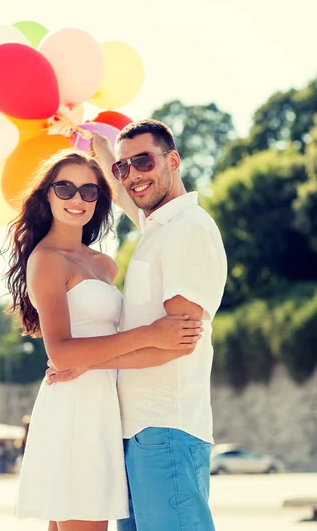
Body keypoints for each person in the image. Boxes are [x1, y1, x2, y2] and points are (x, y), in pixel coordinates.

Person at [1, 149, 203, 531]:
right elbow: (60, 353)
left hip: (103, 404)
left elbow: (157, 214)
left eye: (89, 191)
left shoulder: (102, 264)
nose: (77, 199)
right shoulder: (46, 260)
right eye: (65, 188)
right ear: (47, 194)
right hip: (75, 406)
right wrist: (151, 334)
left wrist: (107, 151)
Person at [46, 121, 227, 531]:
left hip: (166, 429)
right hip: (136, 431)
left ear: (173, 161)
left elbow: (177, 341)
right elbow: (131, 198)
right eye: (123, 168)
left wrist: (89, 362)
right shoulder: (158, 228)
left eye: (143, 161)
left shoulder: (188, 229)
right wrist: (101, 150)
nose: (132, 175)